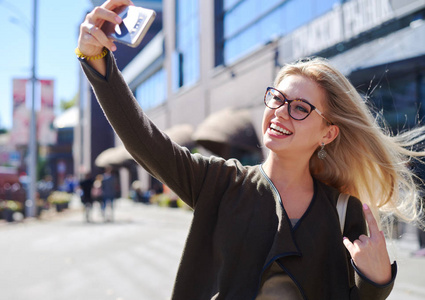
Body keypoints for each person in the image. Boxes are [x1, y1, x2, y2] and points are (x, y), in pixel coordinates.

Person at [76, 1, 425, 298]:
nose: (280, 112)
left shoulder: (344, 209)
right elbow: (143, 139)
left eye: (300, 108)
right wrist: (97, 61)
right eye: (277, 98)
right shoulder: (219, 182)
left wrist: (377, 281)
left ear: (328, 134)